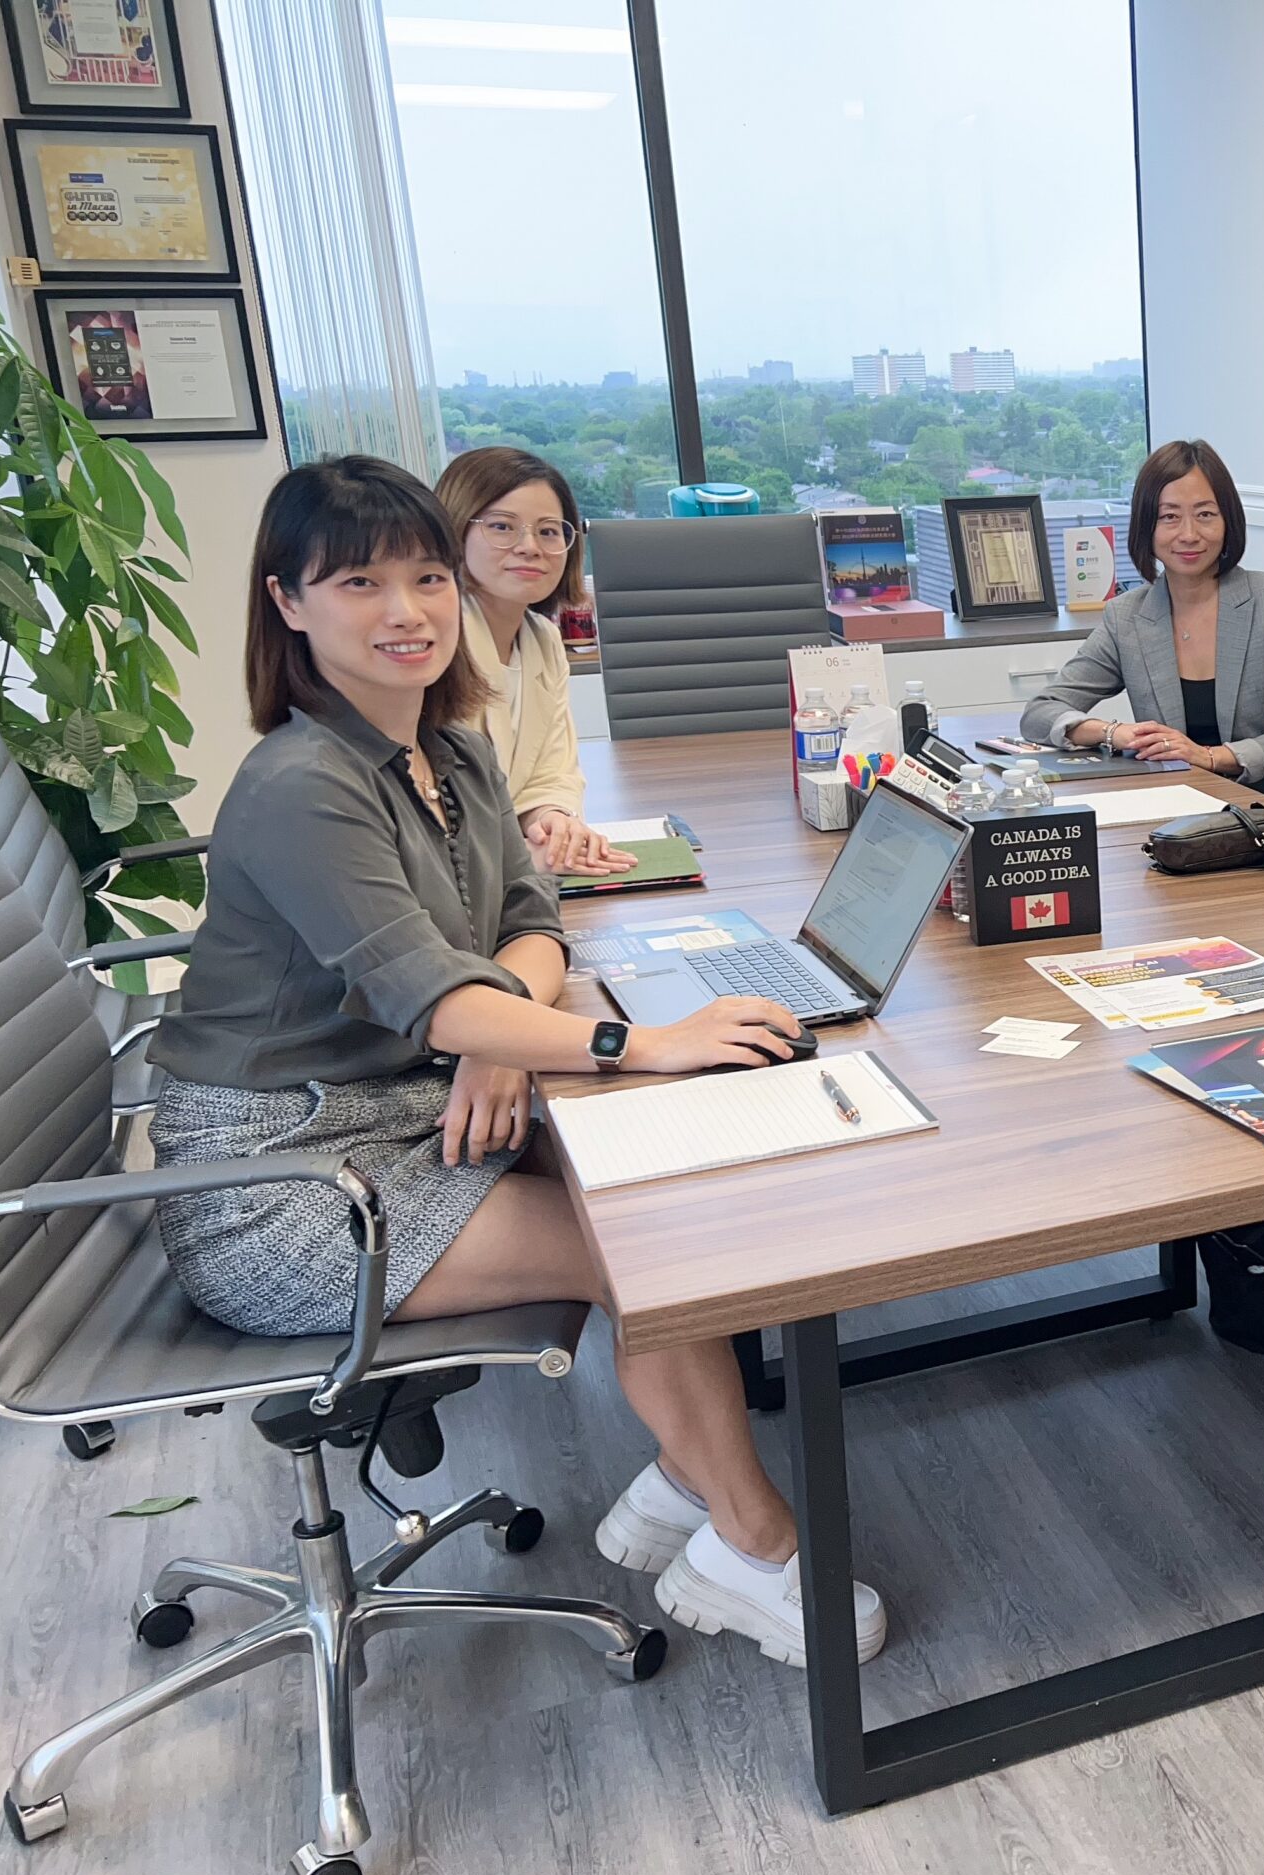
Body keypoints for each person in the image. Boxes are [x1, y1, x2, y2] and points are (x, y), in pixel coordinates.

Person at [144, 456, 888, 1671]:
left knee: (653, 1195)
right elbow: (436, 999)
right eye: (360, 584)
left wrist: (495, 1027)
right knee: (649, 1246)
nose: (408, 611)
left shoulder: (451, 753)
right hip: (276, 1182)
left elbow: (529, 923)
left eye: (427, 578)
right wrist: (635, 1044)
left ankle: (686, 1487)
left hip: (395, 1109)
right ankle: (751, 1542)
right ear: (287, 602)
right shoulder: (300, 784)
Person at [1021, 439, 1264, 802]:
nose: (1189, 534)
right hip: (1172, 804)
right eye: (1169, 516)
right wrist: (1116, 733)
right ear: (1147, 526)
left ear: (1228, 521)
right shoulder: (1127, 617)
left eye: (1205, 514)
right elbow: (1039, 713)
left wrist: (1209, 757)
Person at [433, 445, 633, 878]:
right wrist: (523, 861)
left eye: (548, 531)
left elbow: (551, 768)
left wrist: (553, 820)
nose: (529, 547)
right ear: (453, 532)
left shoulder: (542, 639)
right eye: (502, 527)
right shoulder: (433, 644)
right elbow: (433, 812)